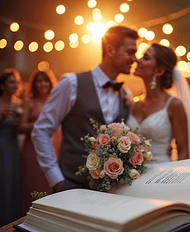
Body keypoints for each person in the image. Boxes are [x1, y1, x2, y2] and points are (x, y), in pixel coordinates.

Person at [32, 26, 139, 192]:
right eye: (130, 52)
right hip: (70, 185)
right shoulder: (71, 83)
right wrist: (57, 180)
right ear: (110, 50)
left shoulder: (125, 94)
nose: (135, 59)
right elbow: (41, 131)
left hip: (110, 190)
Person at [126, 43, 189, 162]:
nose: (138, 60)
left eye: (146, 58)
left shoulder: (173, 105)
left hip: (162, 172)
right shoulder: (132, 104)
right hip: (132, 175)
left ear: (159, 71)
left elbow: (184, 151)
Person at [18, 68, 60, 214]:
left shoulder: (54, 102)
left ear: (50, 83)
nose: (43, 84)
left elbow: (58, 129)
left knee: (47, 186)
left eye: (45, 80)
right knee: (31, 187)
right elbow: (21, 127)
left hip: (50, 148)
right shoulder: (29, 101)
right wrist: (41, 125)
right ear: (34, 84)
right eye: (39, 81)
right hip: (31, 150)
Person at [0, 68, 23, 226]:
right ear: (3, 85)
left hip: (14, 147)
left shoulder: (19, 104)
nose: (15, 85)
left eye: (17, 82)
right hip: (1, 146)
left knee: (13, 182)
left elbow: (22, 129)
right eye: (11, 82)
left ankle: (12, 219)